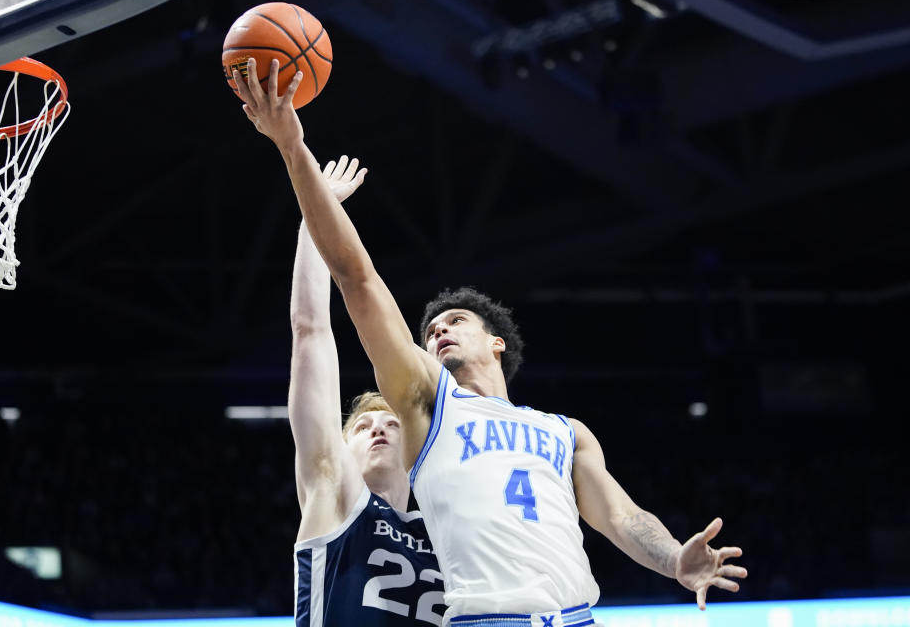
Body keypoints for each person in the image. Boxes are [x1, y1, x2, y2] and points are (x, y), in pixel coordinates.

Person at [238, 59, 747, 627]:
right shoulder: (428, 407)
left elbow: (621, 517)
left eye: (454, 320)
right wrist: (292, 149)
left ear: (497, 342)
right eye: (429, 330)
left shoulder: (565, 433)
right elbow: (355, 279)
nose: (437, 330)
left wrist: (675, 557)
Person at [287, 156, 446, 626]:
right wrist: (314, 214)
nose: (377, 427)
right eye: (361, 426)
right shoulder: (333, 491)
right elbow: (310, 331)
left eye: (393, 422)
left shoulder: (447, 530)